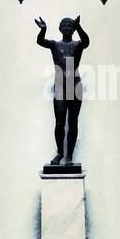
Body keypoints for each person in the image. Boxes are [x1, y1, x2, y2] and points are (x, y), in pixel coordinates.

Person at [35, 15, 90, 165]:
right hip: (60, 84)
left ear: (73, 29)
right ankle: (60, 153)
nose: (66, 28)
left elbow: (87, 42)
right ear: (60, 28)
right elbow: (40, 41)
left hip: (75, 85)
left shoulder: (77, 45)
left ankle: (69, 156)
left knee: (73, 122)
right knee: (59, 123)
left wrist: (79, 26)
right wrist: (43, 29)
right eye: (64, 26)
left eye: (69, 26)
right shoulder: (55, 45)